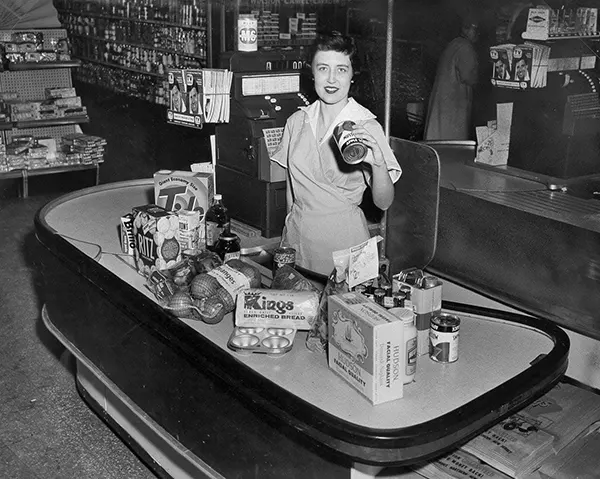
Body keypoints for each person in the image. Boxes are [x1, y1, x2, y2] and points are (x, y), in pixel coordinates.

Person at [270, 31, 402, 276]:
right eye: (323, 68)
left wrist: (379, 164)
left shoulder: (365, 126)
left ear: (353, 75)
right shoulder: (297, 121)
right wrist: (290, 228)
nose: (331, 79)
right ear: (312, 72)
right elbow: (292, 186)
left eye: (341, 69)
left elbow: (384, 202)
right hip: (297, 241)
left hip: (344, 247)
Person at [424, 16, 479, 141]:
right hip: (453, 103)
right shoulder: (465, 47)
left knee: (439, 135)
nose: (477, 34)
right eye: (475, 29)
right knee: (451, 140)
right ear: (467, 30)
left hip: (446, 100)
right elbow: (468, 77)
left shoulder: (454, 44)